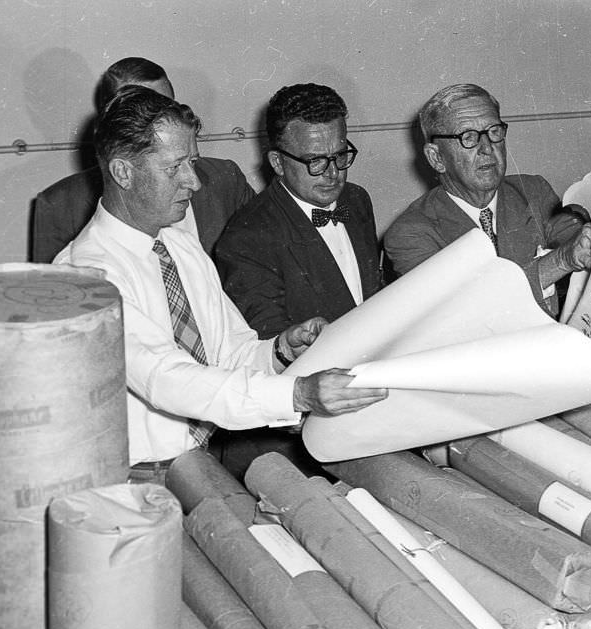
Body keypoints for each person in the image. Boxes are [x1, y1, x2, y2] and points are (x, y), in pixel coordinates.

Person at [54, 86, 384, 480]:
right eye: (174, 167)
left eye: (191, 163)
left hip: (197, 462)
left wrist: (280, 349)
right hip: (131, 477)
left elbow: (230, 353)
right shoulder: (86, 275)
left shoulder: (179, 246)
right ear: (123, 171)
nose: (193, 182)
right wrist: (296, 394)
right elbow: (166, 378)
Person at [384, 83, 591, 318]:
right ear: (436, 158)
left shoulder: (533, 191)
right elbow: (461, 313)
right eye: (468, 137)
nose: (487, 148)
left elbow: (584, 246)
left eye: (494, 131)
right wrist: (561, 260)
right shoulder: (410, 233)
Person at [31, 57, 252, 263]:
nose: (157, 118)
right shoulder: (61, 206)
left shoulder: (225, 180)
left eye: (166, 107)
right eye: (138, 110)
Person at [213, 83, 381, 339]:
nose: (333, 173)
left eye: (340, 155)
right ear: (278, 162)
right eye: (315, 161)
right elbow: (270, 340)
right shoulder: (246, 239)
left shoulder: (356, 200)